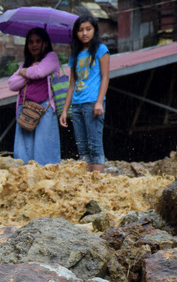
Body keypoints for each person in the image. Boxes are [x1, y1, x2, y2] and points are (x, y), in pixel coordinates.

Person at [59, 14, 110, 172]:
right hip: (77, 105)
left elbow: (105, 77)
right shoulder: (75, 55)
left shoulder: (101, 50)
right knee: (82, 147)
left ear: (95, 30)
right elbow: (72, 84)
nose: (85, 33)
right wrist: (65, 110)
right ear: (76, 33)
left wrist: (99, 102)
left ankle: (97, 183)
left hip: (93, 103)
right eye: (80, 30)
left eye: (88, 29)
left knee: (95, 145)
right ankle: (87, 184)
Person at [8, 27, 61, 166]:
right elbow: (12, 84)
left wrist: (24, 72)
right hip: (24, 109)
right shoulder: (24, 65)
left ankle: (46, 184)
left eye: (38, 41)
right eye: (31, 42)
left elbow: (39, 72)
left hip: (45, 108)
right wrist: (27, 71)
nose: (34, 45)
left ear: (46, 43)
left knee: (44, 151)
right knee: (23, 153)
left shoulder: (52, 58)